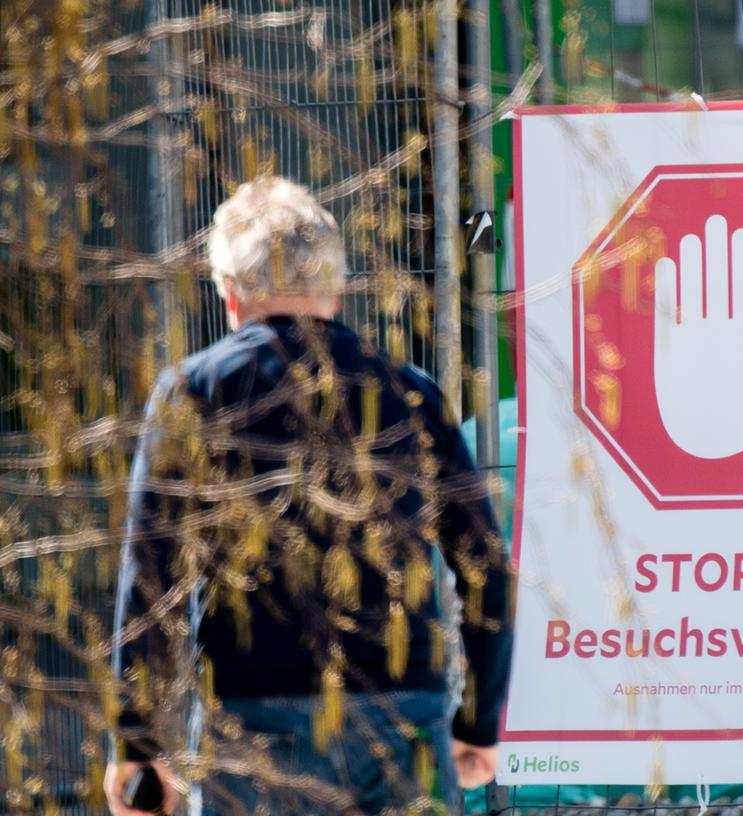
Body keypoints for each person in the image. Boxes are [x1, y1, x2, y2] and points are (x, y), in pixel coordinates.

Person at [105, 177, 512, 815]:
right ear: (336, 286)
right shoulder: (411, 393)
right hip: (402, 712)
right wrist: (479, 721)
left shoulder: (193, 392)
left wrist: (138, 737)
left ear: (229, 293)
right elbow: (485, 565)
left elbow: (151, 576)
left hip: (254, 713)